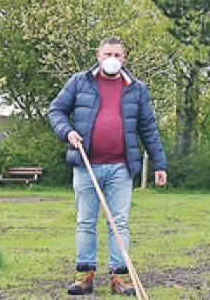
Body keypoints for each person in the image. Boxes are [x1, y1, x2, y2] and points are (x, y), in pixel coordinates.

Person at [48, 37, 168, 296]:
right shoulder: (79, 82)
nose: (112, 58)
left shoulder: (136, 89)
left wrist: (159, 164)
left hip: (120, 168)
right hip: (86, 165)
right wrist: (67, 132)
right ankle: (84, 276)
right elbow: (56, 110)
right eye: (107, 54)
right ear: (98, 56)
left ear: (124, 59)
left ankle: (119, 278)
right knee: (85, 222)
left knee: (119, 223)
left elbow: (148, 128)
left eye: (117, 54)